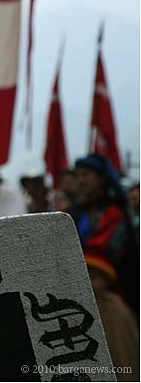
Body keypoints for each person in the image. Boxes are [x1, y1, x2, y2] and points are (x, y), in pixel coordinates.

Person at [70, 153, 139, 381]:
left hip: (105, 302)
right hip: (75, 300)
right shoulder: (76, 214)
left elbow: (100, 264)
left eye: (86, 175)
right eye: (78, 175)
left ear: (101, 179)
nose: (80, 180)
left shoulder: (113, 214)